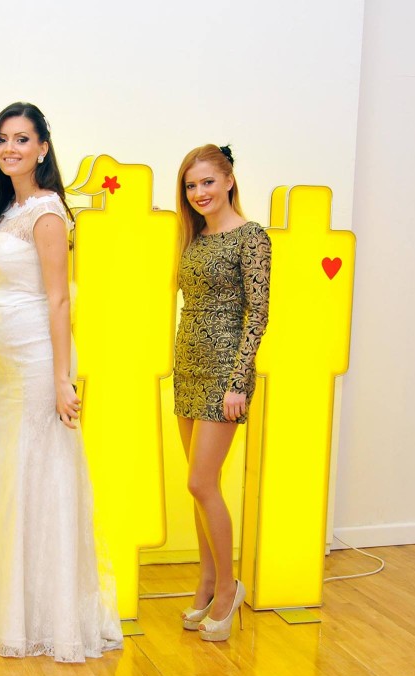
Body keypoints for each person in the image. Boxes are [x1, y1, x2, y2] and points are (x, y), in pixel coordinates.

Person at [0, 102, 122, 663]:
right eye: (3, 139)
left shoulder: (46, 211)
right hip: (9, 371)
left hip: (37, 363)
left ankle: (53, 617)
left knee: (42, 475)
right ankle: (15, 609)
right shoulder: (7, 211)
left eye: (22, 139)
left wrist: (61, 379)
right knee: (16, 475)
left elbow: (59, 298)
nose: (10, 148)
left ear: (43, 148)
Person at [173, 144, 271, 641]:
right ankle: (208, 581)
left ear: (229, 180)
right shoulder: (192, 237)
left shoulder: (252, 237)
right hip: (188, 367)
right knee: (198, 485)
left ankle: (229, 589)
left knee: (201, 483)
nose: (199, 193)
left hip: (225, 373)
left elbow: (258, 313)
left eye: (208, 182)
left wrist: (238, 381)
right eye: (191, 186)